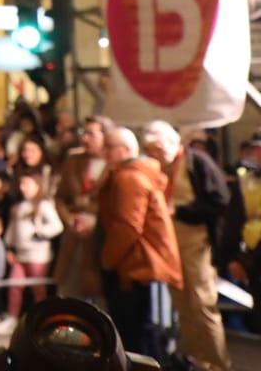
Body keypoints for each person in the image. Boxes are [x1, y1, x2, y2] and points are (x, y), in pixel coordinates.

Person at [142, 120, 231, 371]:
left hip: (196, 242)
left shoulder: (197, 162)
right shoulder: (160, 169)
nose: (155, 156)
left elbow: (220, 200)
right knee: (182, 306)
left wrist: (181, 211)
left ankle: (217, 363)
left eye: (157, 149)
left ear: (170, 143)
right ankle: (194, 359)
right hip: (170, 245)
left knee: (202, 303)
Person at [98, 126, 180, 361]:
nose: (104, 153)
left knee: (136, 340)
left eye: (108, 148)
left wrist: (108, 259)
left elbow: (127, 227)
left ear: (125, 149)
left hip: (133, 267)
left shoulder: (129, 178)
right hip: (137, 266)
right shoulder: (131, 174)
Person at [0, 171, 63, 333]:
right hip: (20, 255)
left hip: (38, 256)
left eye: (28, 184)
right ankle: (11, 318)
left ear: (37, 186)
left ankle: (43, 322)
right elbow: (12, 229)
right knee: (14, 286)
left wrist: (40, 232)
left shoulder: (43, 205)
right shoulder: (18, 206)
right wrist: (9, 248)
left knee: (38, 290)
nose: (24, 188)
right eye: (22, 184)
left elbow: (57, 226)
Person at [53, 115, 110, 301]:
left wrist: (95, 220)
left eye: (91, 134)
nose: (85, 138)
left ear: (105, 137)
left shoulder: (113, 165)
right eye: (83, 133)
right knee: (70, 295)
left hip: (101, 241)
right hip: (74, 237)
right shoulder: (73, 160)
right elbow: (60, 197)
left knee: (100, 296)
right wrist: (69, 219)